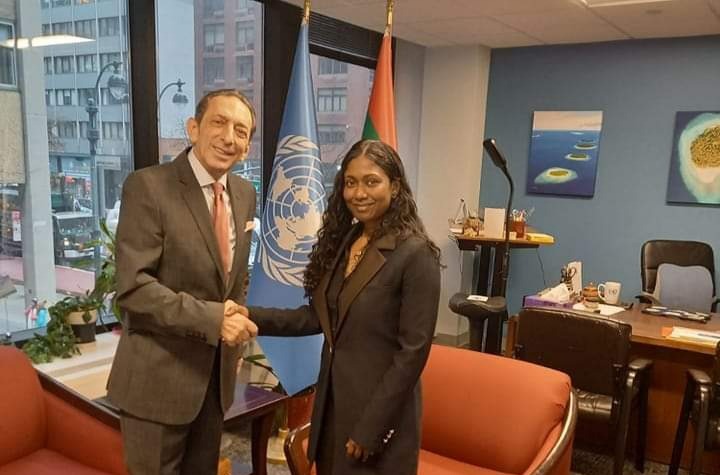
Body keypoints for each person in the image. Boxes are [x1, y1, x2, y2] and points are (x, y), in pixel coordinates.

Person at [241, 139, 441, 474]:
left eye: (371, 181)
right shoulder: (346, 241)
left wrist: (371, 428)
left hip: (378, 418)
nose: (359, 193)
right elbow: (316, 318)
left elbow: (412, 354)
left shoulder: (415, 254)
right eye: (351, 182)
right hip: (332, 409)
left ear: (394, 187)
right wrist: (250, 314)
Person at [107, 89, 259, 475]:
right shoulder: (148, 187)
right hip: (157, 385)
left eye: (241, 131)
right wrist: (215, 320)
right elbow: (135, 288)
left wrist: (234, 332)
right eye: (219, 123)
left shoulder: (244, 194)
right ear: (193, 128)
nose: (229, 137)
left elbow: (232, 279)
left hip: (214, 385)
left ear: (247, 148)